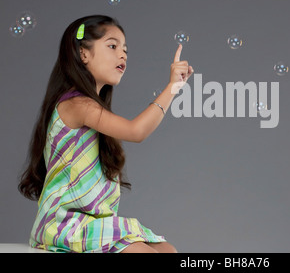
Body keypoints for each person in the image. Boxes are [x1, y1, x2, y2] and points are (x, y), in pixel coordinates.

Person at [18, 15, 193, 253]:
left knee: (168, 250)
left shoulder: (92, 107)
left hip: (93, 221)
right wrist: (172, 87)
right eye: (112, 46)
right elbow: (136, 131)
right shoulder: (77, 104)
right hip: (64, 223)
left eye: (125, 50)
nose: (123, 55)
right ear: (83, 53)